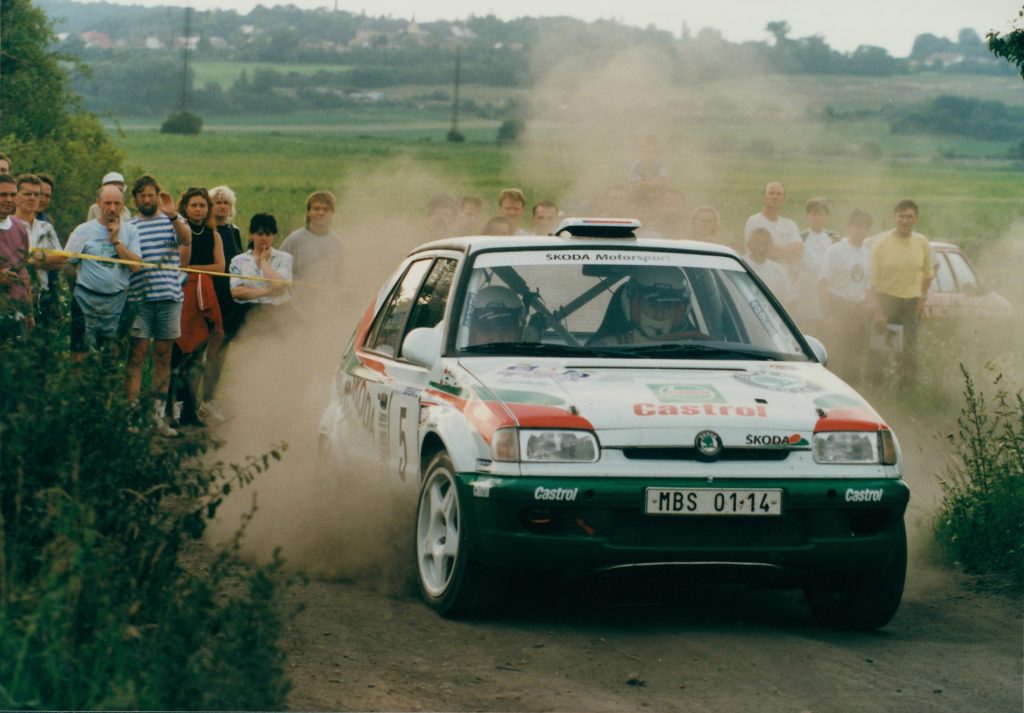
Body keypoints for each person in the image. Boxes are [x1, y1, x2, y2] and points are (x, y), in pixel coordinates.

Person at [124, 175, 191, 436]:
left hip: (169, 297)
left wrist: (173, 215)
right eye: (142, 196)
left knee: (163, 357)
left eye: (151, 195)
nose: (147, 199)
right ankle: (131, 417)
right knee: (136, 357)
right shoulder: (129, 226)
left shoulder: (172, 221)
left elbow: (185, 240)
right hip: (139, 300)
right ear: (136, 199)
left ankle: (156, 416)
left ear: (157, 195)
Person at [64, 184, 143, 357]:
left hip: (117, 301)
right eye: (107, 203)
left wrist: (116, 241)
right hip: (85, 299)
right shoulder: (83, 230)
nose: (112, 208)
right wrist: (76, 290)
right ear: (98, 203)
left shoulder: (131, 231)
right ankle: (78, 385)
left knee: (112, 356)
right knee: (80, 356)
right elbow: (69, 264)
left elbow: (136, 266)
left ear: (123, 205)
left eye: (117, 203)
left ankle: (105, 384)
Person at [171, 187, 224, 427]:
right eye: (194, 205)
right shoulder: (180, 232)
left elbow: (220, 267)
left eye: (202, 205)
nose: (198, 209)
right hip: (180, 293)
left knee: (196, 356)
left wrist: (196, 270)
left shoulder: (213, 235)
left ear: (207, 208)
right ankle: (169, 409)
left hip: (204, 295)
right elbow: (179, 264)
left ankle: (189, 410)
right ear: (185, 207)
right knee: (176, 354)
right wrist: (194, 270)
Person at [866, 199, 934, 390]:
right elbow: (870, 281)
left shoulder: (922, 243)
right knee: (880, 350)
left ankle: (906, 392)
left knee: (909, 352)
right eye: (901, 216)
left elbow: (928, 274)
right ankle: (875, 392)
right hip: (886, 301)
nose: (904, 220)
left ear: (916, 219)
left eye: (909, 216)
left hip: (911, 303)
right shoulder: (881, 244)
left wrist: (922, 298)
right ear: (894, 218)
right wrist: (877, 310)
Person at [204, 185, 245, 423]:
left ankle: (210, 398)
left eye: (226, 202)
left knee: (221, 350)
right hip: (209, 292)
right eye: (217, 201)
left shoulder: (234, 230)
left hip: (229, 296)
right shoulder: (205, 230)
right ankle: (190, 401)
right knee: (201, 347)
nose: (222, 206)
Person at [818, 209, 873, 385]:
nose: (861, 231)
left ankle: (853, 392)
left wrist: (870, 307)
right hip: (838, 306)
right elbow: (823, 285)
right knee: (835, 355)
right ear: (849, 227)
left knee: (855, 356)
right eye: (857, 227)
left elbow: (867, 287)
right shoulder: (834, 251)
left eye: (865, 228)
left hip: (857, 309)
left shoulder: (867, 255)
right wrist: (827, 316)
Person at [592, 267, 702, 345]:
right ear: (633, 306)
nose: (659, 315)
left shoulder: (698, 350)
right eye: (652, 304)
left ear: (680, 312)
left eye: (668, 306)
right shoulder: (605, 348)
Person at [14, 174, 62, 325]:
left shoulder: (46, 227)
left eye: (37, 194)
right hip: (14, 298)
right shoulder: (7, 226)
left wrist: (33, 260)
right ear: (16, 196)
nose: (32, 198)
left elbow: (61, 260)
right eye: (27, 194)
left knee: (44, 346)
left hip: (43, 297)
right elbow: (13, 264)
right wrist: (44, 259)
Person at [229, 213, 293, 326]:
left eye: (268, 234)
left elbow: (279, 285)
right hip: (246, 311)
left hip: (278, 311)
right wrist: (268, 292)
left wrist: (263, 262)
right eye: (260, 234)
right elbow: (236, 292)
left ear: (274, 236)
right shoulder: (238, 261)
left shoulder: (285, 258)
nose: (264, 238)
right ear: (251, 235)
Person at [792, 196, 839, 335]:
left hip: (827, 296)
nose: (818, 218)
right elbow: (793, 268)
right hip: (805, 295)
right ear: (808, 216)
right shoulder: (800, 238)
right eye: (814, 214)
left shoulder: (834, 238)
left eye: (821, 214)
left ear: (827, 216)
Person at [281, 190, 342, 281]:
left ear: (332, 213)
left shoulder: (338, 242)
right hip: (298, 295)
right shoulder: (294, 240)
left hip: (329, 294)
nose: (321, 213)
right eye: (316, 209)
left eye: (326, 209)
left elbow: (342, 275)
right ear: (308, 212)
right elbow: (279, 272)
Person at [0, 174, 33, 339]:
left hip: (16, 312)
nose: (8, 199)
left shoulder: (19, 226)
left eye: (12, 195)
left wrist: (29, 311)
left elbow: (23, 270)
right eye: (3, 194)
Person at [743, 181, 803, 268]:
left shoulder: (790, 224)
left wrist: (774, 248)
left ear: (783, 199)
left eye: (779, 194)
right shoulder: (754, 221)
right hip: (758, 274)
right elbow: (762, 250)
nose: (775, 197)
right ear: (763, 198)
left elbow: (798, 252)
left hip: (784, 277)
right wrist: (787, 252)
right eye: (771, 193)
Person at [745, 227, 795, 307]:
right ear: (749, 245)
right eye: (758, 244)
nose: (762, 249)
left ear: (771, 246)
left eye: (765, 244)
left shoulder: (779, 270)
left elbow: (790, 302)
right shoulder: (739, 265)